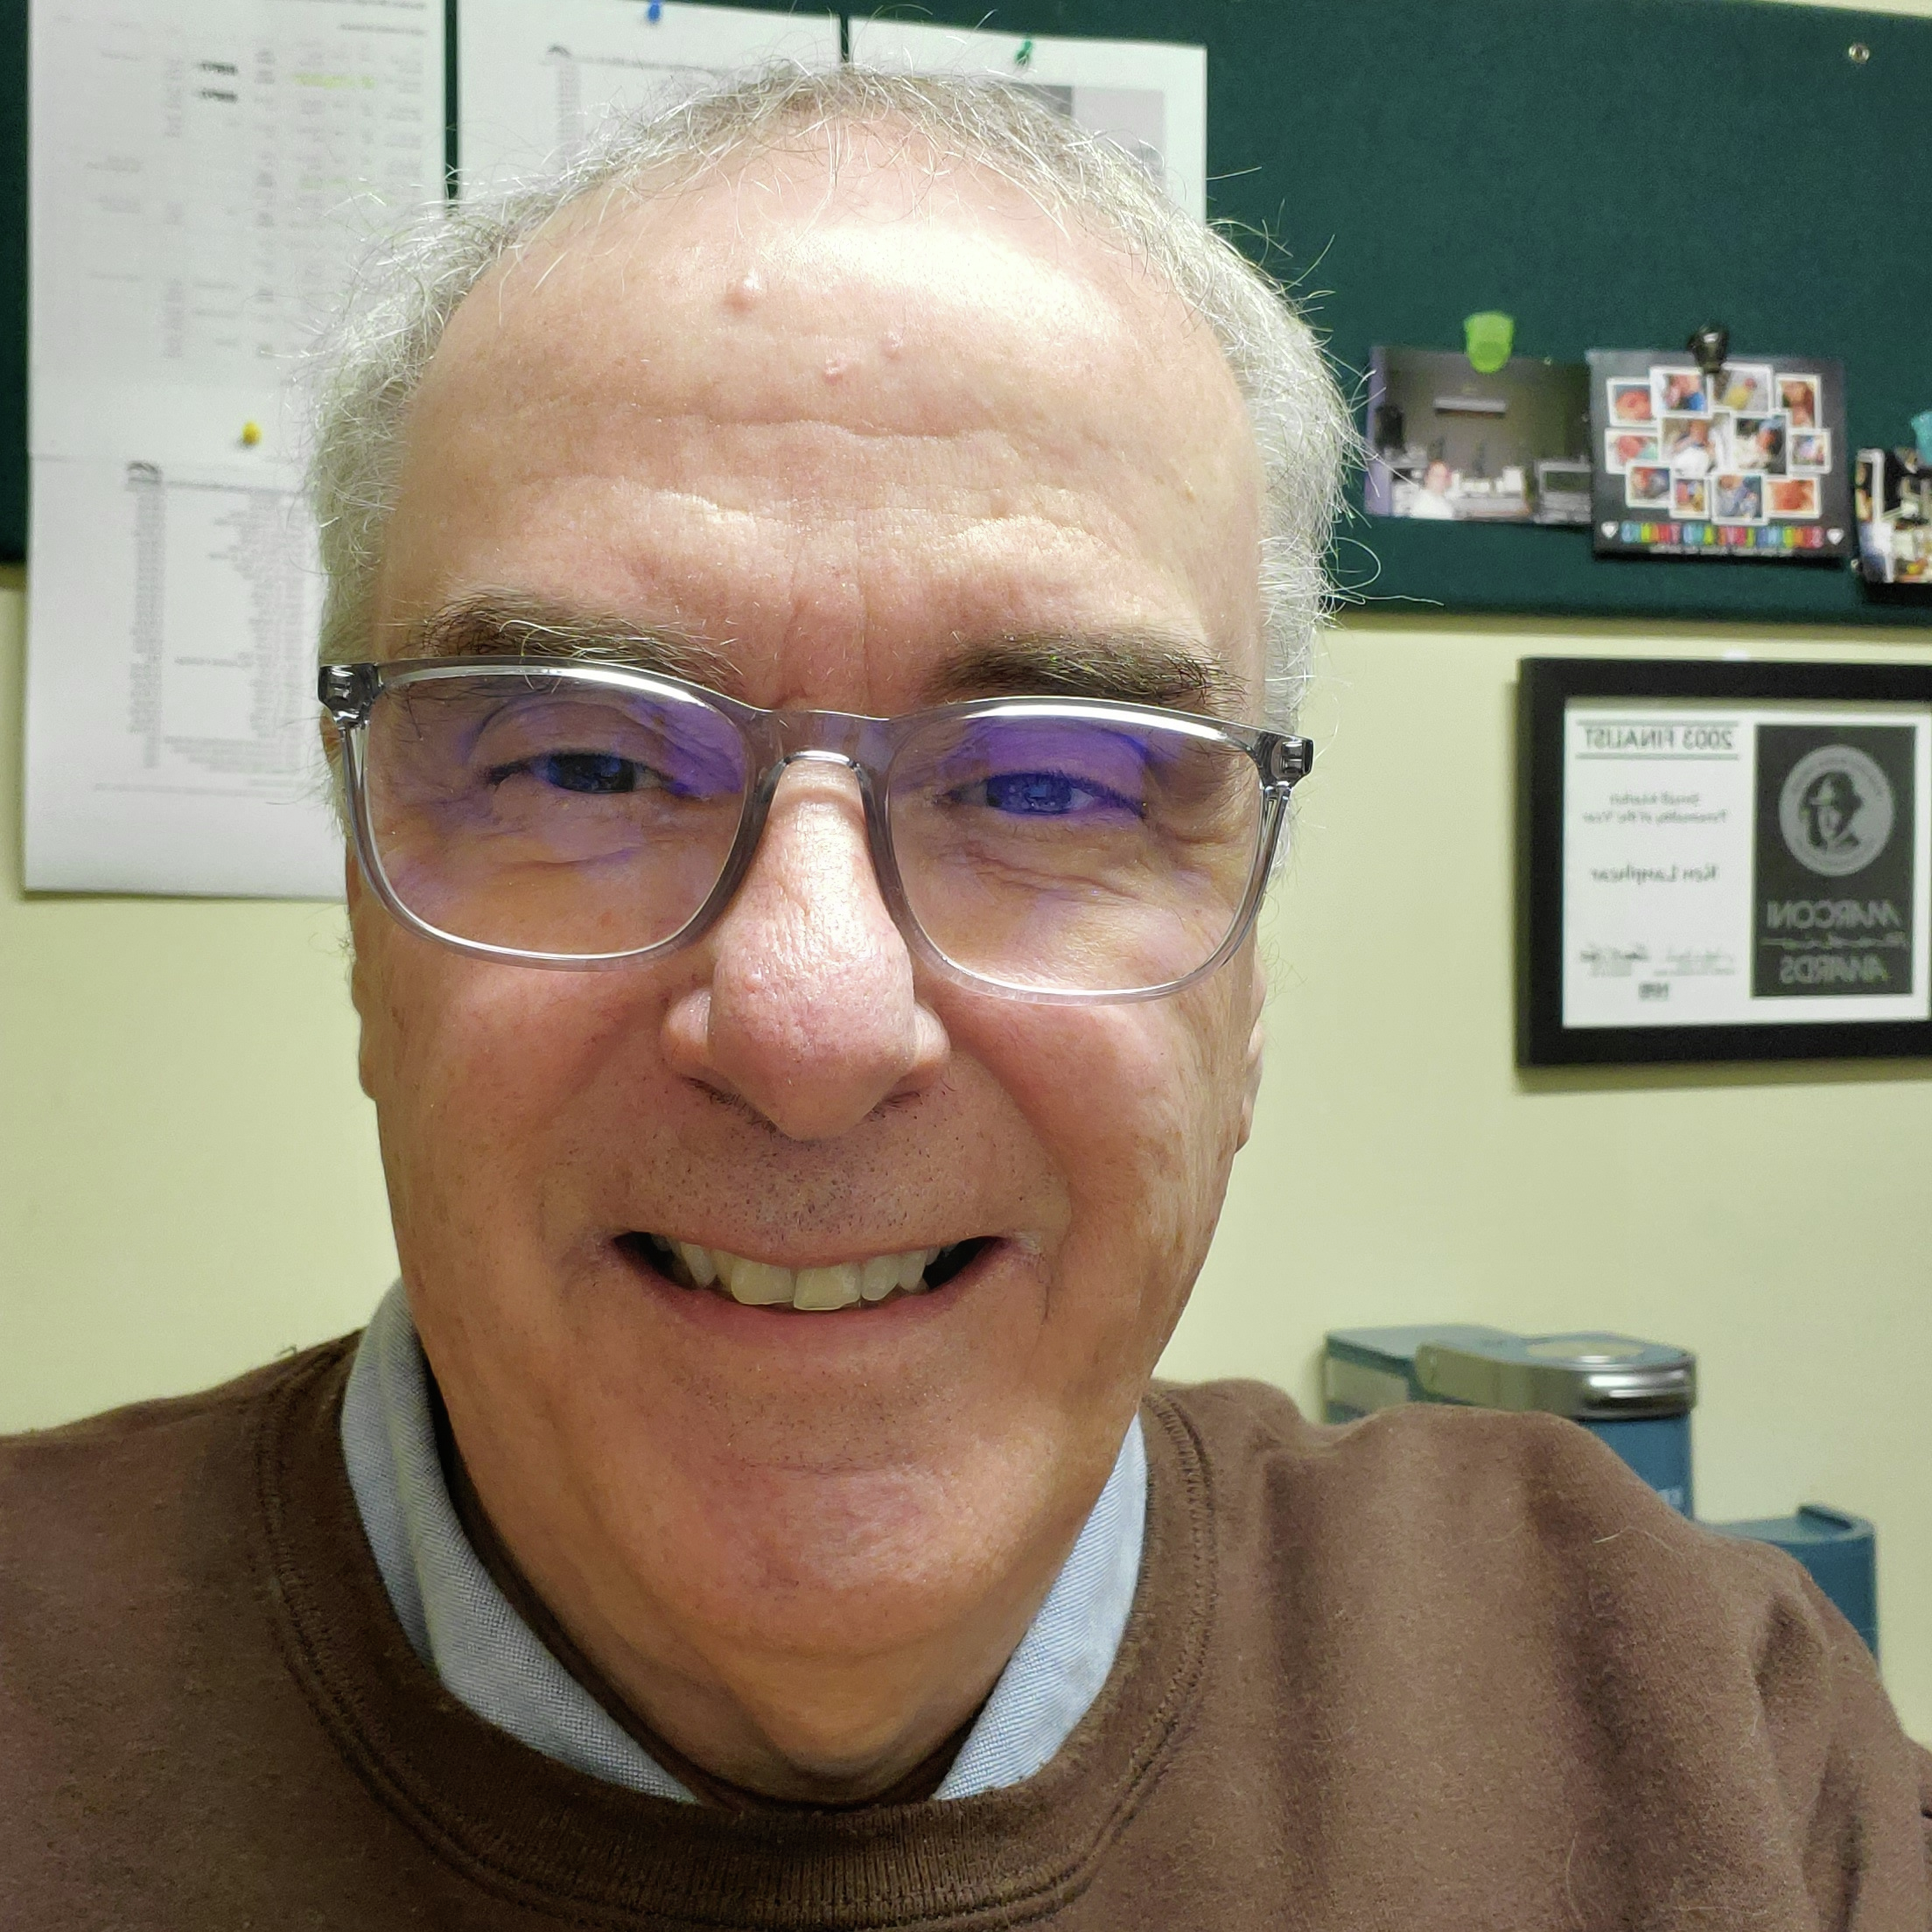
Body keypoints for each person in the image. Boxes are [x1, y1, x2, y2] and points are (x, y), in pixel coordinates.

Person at [4, 66, 1928, 1928]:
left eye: (1051, 786)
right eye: (583, 764)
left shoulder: (1691, 1730)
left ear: (1243, 977)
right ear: (366, 909)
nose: (813, 1023)